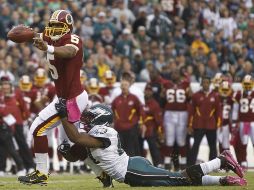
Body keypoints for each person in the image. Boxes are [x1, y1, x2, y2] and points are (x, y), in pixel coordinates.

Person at [54, 102, 246, 187]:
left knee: (181, 178)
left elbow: (78, 139)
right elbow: (77, 153)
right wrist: (65, 152)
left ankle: (221, 161)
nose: (85, 121)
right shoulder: (93, 134)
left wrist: (63, 116)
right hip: (131, 168)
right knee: (178, 182)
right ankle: (222, 181)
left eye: (89, 118)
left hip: (132, 171)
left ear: (100, 120)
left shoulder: (104, 133)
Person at [18, 10, 89, 184]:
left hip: (73, 98)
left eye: (59, 26)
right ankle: (102, 171)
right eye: (53, 25)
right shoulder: (51, 36)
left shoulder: (74, 40)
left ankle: (41, 173)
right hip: (64, 98)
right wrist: (24, 33)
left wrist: (48, 47)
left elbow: (69, 52)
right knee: (69, 145)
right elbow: (37, 35)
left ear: (68, 27)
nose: (55, 30)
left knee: (38, 128)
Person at [188, 76, 222, 165]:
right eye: (204, 82)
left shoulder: (215, 95)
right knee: (195, 145)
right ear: (201, 84)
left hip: (211, 125)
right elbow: (191, 111)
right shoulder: (196, 96)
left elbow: (218, 111)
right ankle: (191, 164)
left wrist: (218, 123)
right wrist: (190, 125)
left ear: (209, 84)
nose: (205, 84)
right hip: (198, 124)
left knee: (213, 146)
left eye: (207, 82)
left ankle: (213, 165)